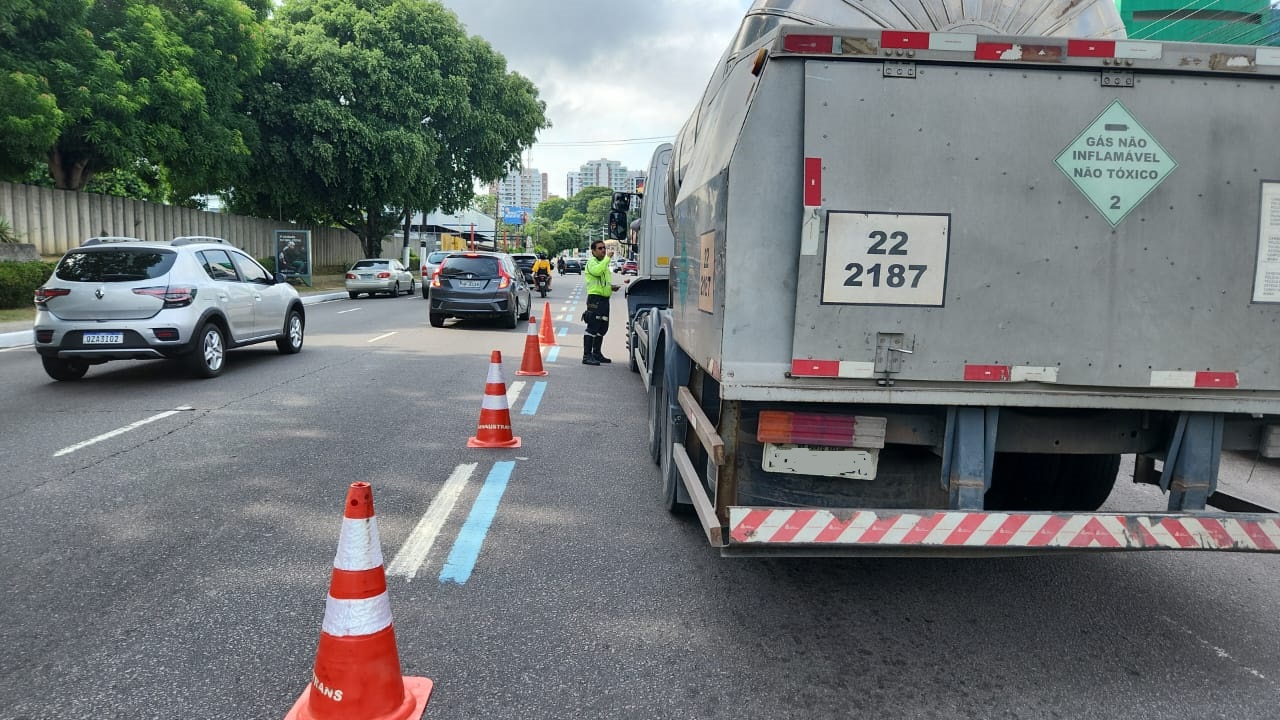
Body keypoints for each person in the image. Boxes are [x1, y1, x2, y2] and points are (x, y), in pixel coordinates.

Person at [582, 241, 620, 366]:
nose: (603, 250)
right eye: (600, 248)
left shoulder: (603, 264)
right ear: (593, 251)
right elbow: (597, 272)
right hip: (595, 299)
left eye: (604, 248)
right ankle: (587, 356)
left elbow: (603, 283)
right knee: (593, 326)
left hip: (604, 299)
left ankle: (596, 353)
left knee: (602, 327)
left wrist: (611, 287)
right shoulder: (592, 263)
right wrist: (608, 258)